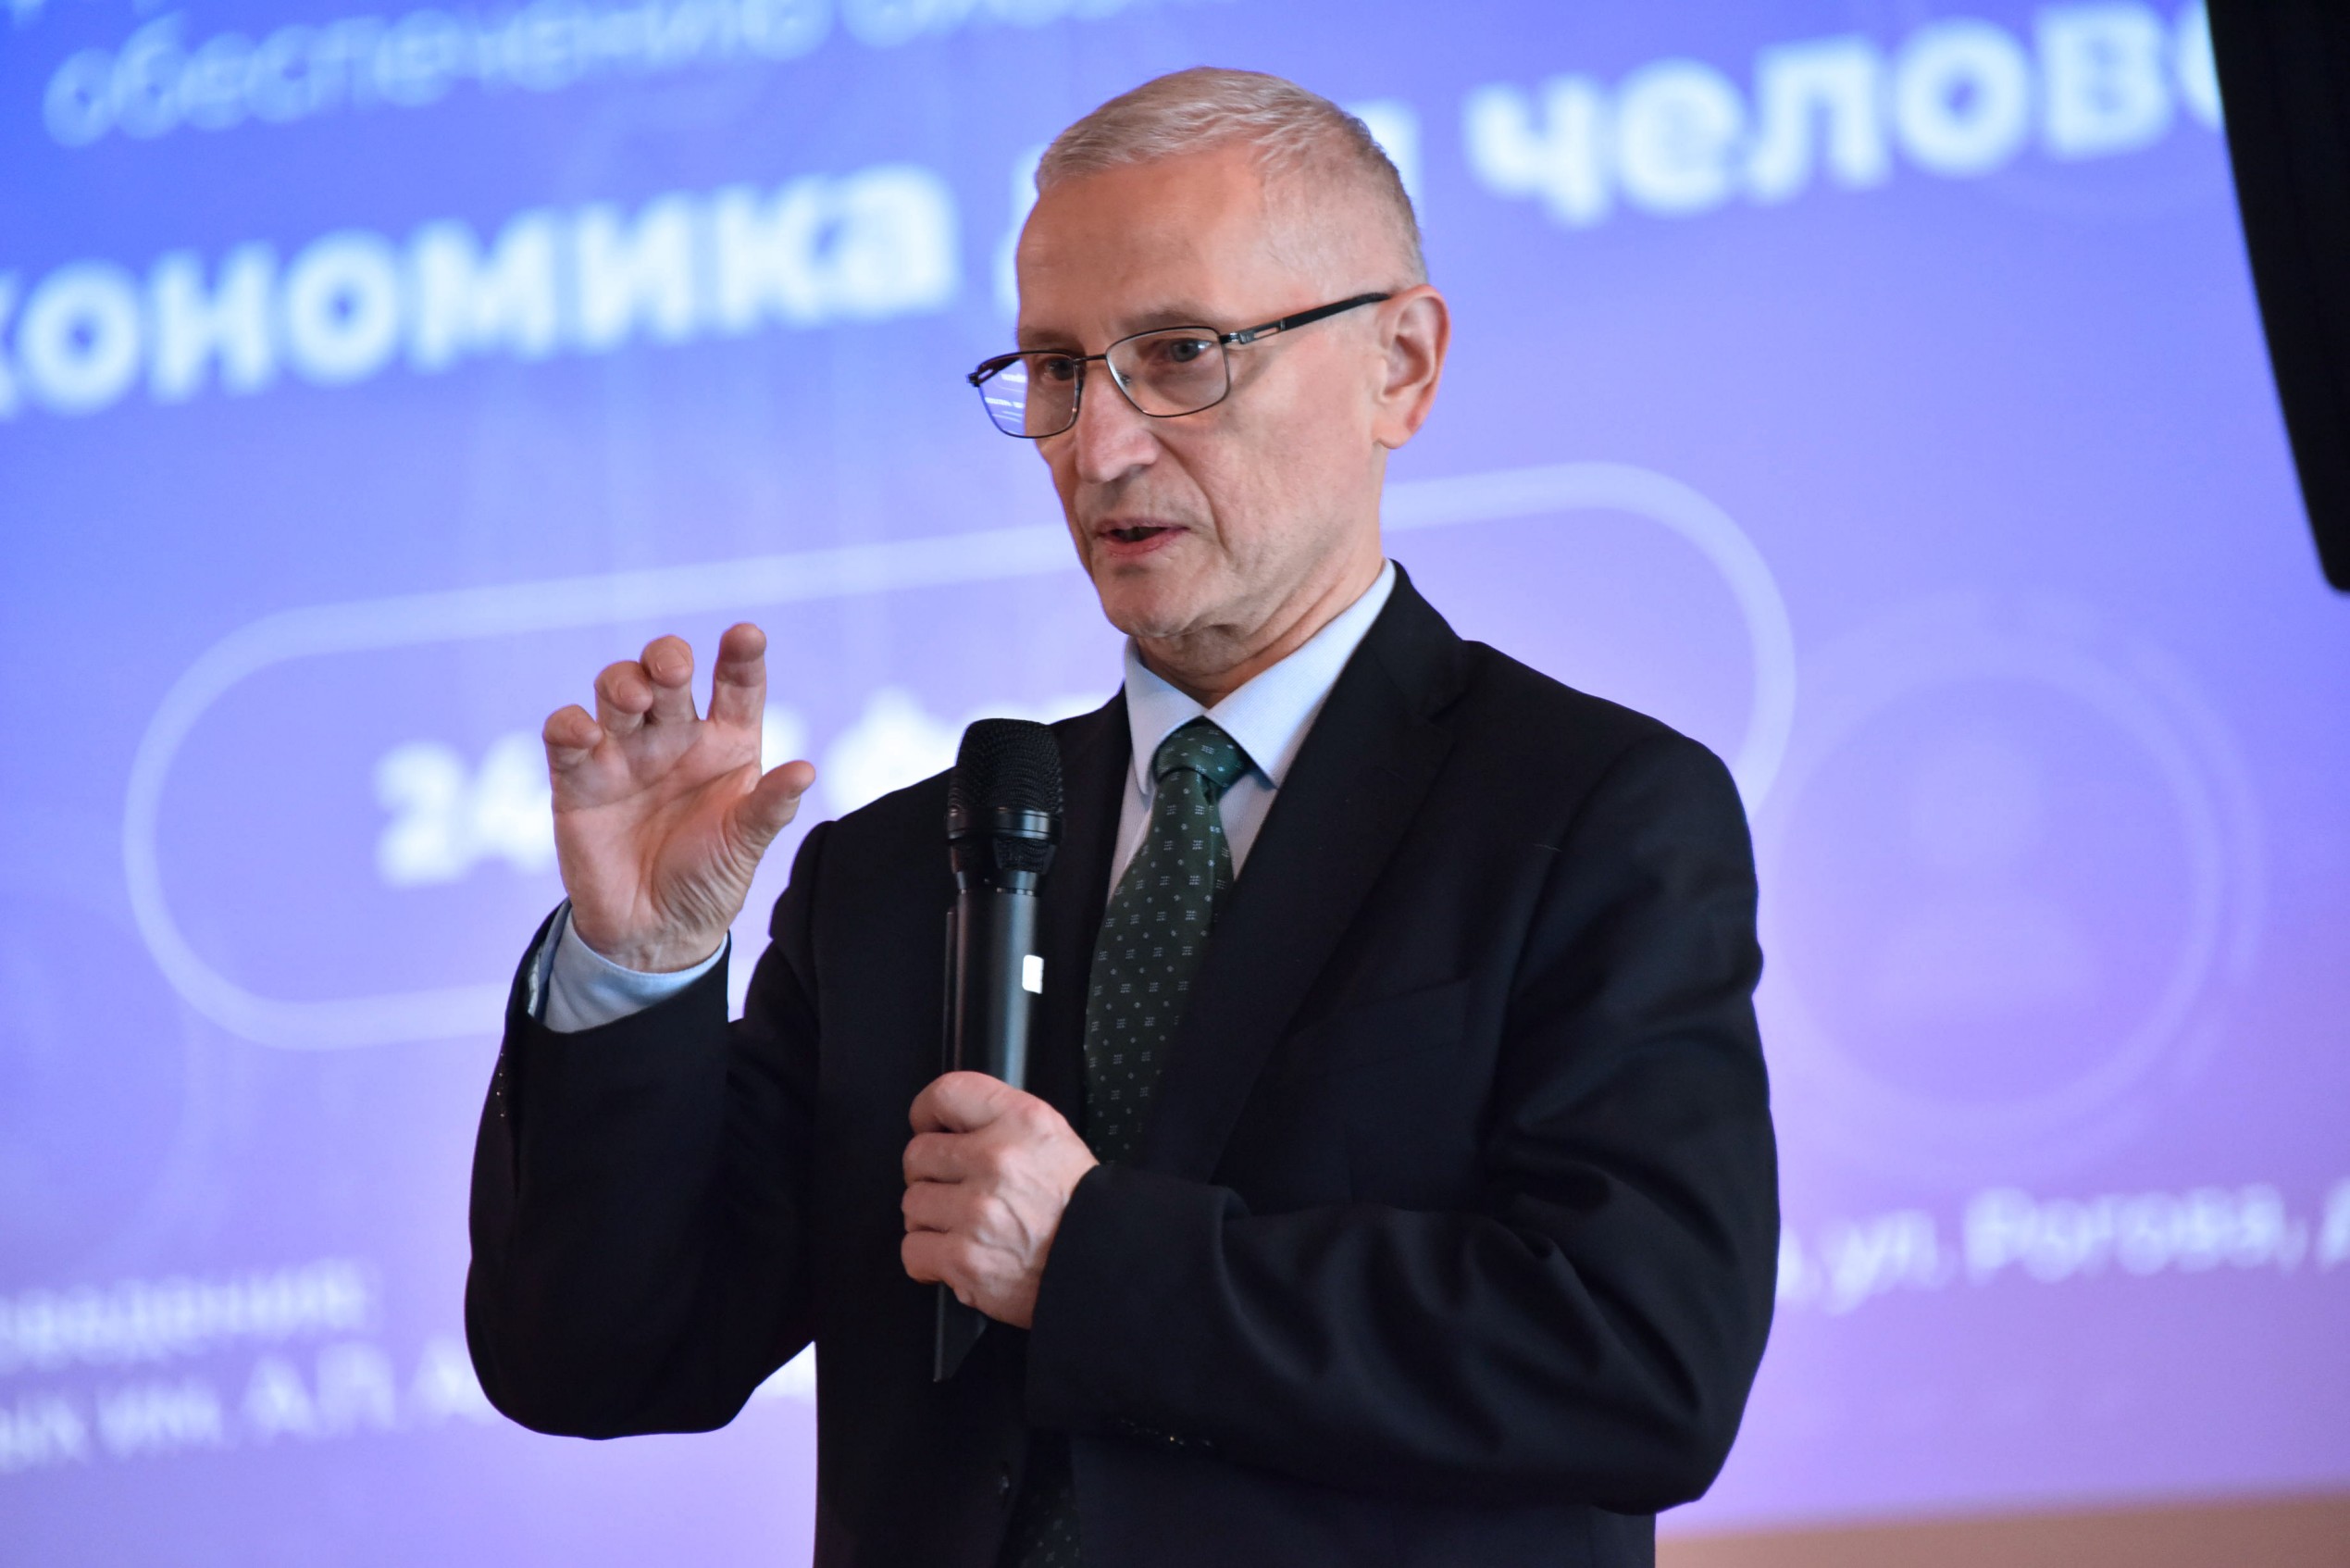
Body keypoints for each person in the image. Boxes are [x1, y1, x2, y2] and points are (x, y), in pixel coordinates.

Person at [466, 67, 1778, 1568]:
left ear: (1401, 365)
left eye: (1179, 354)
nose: (1097, 449)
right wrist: (637, 970)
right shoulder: (893, 876)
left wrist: (1091, 1262)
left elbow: (1635, 1358)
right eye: (1056, 369)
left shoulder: (1586, 814)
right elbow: (596, 1360)